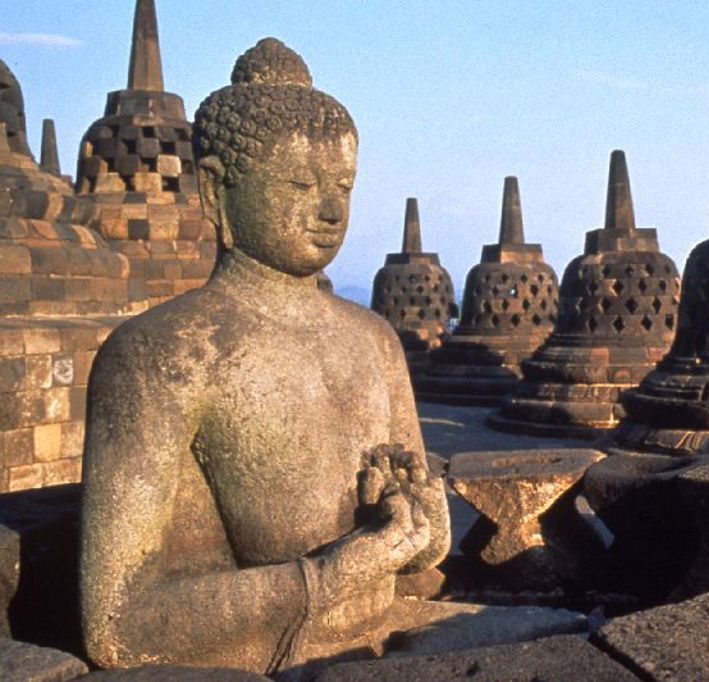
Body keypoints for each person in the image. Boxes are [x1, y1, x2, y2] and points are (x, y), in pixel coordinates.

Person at [80, 38, 450, 674]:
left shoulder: (374, 340)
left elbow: (422, 555)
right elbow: (117, 623)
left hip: (382, 644)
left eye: (344, 185)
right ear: (218, 189)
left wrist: (421, 525)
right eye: (299, 184)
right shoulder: (162, 357)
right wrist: (326, 578)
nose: (331, 209)